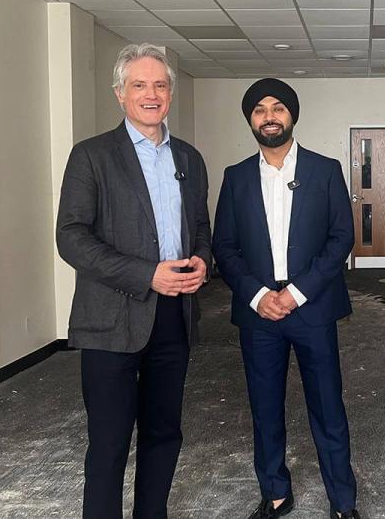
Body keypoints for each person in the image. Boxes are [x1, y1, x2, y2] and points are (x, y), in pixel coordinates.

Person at [56, 43, 211, 518]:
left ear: (170, 93)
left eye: (160, 85)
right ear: (120, 94)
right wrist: (147, 275)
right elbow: (71, 238)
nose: (151, 94)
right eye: (139, 85)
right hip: (111, 319)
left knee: (164, 432)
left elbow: (200, 229)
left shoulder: (189, 157)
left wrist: (203, 260)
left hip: (173, 317)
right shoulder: (92, 156)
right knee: (109, 442)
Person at [212, 78, 361, 519]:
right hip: (259, 313)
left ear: (292, 115)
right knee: (264, 408)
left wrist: (295, 293)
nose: (269, 116)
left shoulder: (324, 169)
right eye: (259, 109)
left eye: (278, 107)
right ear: (250, 120)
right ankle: (275, 493)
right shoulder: (236, 177)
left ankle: (342, 502)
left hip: (312, 307)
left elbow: (341, 239)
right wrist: (260, 295)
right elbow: (225, 246)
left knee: (328, 406)